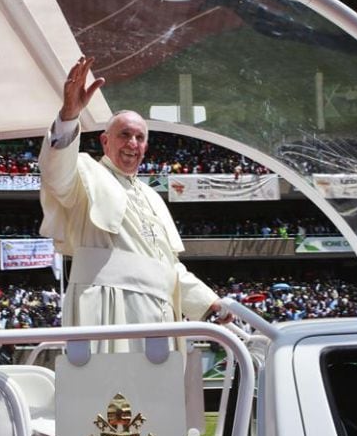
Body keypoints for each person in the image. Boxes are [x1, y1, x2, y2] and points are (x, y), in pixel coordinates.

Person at [39, 56, 232, 352]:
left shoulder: (151, 195)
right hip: (107, 309)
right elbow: (55, 174)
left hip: (159, 316)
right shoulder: (85, 172)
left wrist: (210, 303)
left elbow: (168, 268)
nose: (132, 143)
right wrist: (69, 115)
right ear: (105, 141)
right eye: (125, 135)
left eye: (140, 138)